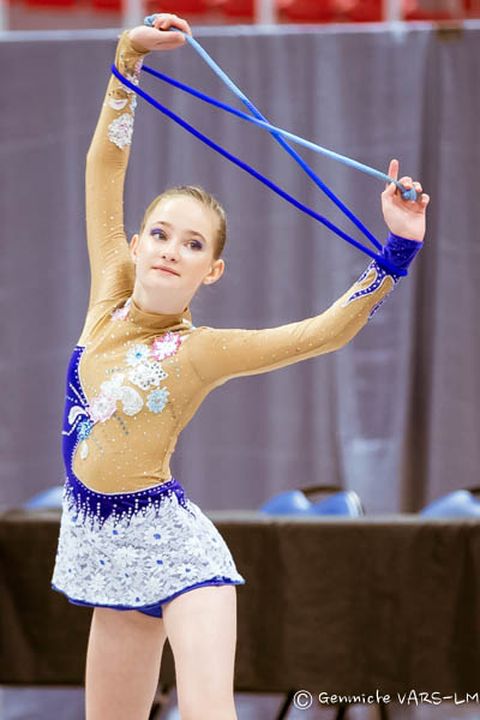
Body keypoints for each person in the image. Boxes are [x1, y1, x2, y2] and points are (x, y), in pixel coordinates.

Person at [50, 11, 430, 720]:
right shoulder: (108, 292)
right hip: (104, 551)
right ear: (135, 244)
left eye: (193, 244)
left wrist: (398, 250)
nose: (171, 249)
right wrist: (128, 58)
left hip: (180, 554)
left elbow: (320, 334)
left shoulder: (201, 350)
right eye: (160, 233)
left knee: (208, 712)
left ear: (213, 270)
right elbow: (105, 168)